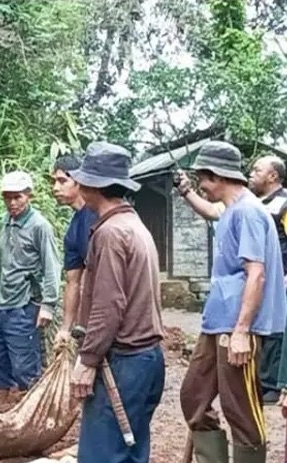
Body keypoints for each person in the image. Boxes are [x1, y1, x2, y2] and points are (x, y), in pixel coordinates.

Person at [178, 141, 286, 463]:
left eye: (203, 180)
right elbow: (210, 210)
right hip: (217, 322)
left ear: (218, 176)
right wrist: (186, 192)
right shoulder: (231, 210)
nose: (202, 186)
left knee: (241, 409)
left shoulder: (250, 212)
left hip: (239, 326)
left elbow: (256, 275)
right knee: (193, 396)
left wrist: (242, 331)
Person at [66, 142, 166, 463]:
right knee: (130, 451)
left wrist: (88, 360)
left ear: (92, 185)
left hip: (124, 362)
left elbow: (108, 307)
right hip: (146, 360)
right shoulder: (135, 226)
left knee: (103, 454)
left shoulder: (110, 233)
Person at [0, 170, 61, 399]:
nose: (12, 202)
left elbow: (52, 266)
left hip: (25, 305)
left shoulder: (40, 226)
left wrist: (48, 305)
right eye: (7, 197)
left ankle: (31, 418)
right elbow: (3, 265)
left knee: (25, 367)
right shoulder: (5, 222)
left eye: (17, 197)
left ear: (29, 195)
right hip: (2, 305)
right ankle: (1, 411)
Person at [49, 154, 98, 348]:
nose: (55, 188)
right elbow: (73, 282)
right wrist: (65, 329)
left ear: (79, 181)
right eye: (54, 182)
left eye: (62, 181)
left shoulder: (99, 216)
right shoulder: (73, 231)